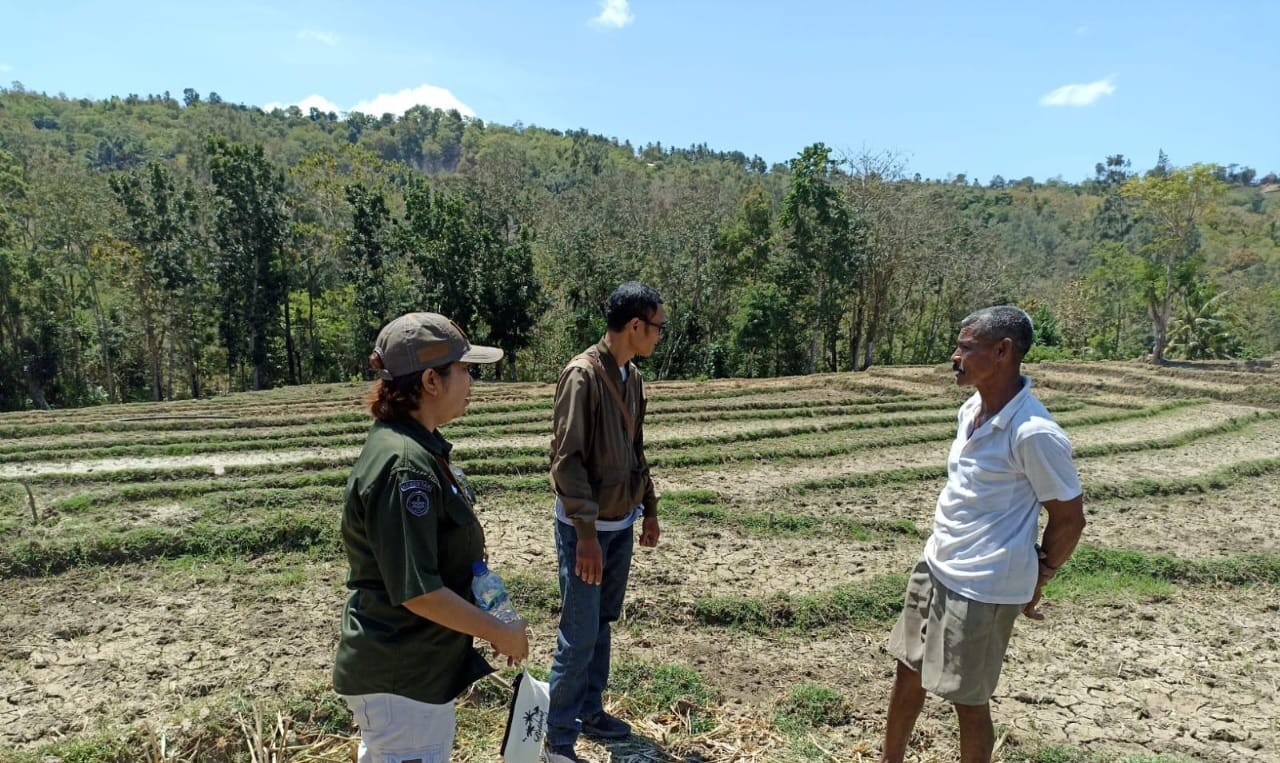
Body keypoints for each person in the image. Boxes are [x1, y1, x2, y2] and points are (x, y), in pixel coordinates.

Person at [879, 305, 1087, 763]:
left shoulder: (1033, 432)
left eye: (965, 347)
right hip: (937, 563)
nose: (955, 356)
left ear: (1002, 351)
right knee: (907, 669)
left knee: (968, 700)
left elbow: (1069, 518)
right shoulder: (971, 408)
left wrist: (1042, 574)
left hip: (983, 584)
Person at [333, 312, 530, 763]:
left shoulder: (416, 447)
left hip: (413, 673)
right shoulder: (405, 465)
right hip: (403, 677)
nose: (471, 381)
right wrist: (499, 632)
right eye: (464, 369)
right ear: (430, 381)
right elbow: (418, 592)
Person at [544, 282, 665, 763]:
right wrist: (587, 537)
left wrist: (649, 507)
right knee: (578, 632)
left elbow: (636, 451)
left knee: (602, 622)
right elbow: (566, 463)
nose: (659, 335)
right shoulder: (582, 377)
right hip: (586, 533)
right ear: (635, 325)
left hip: (619, 524)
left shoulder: (631, 378)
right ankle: (557, 738)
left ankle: (591, 711)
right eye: (656, 326)